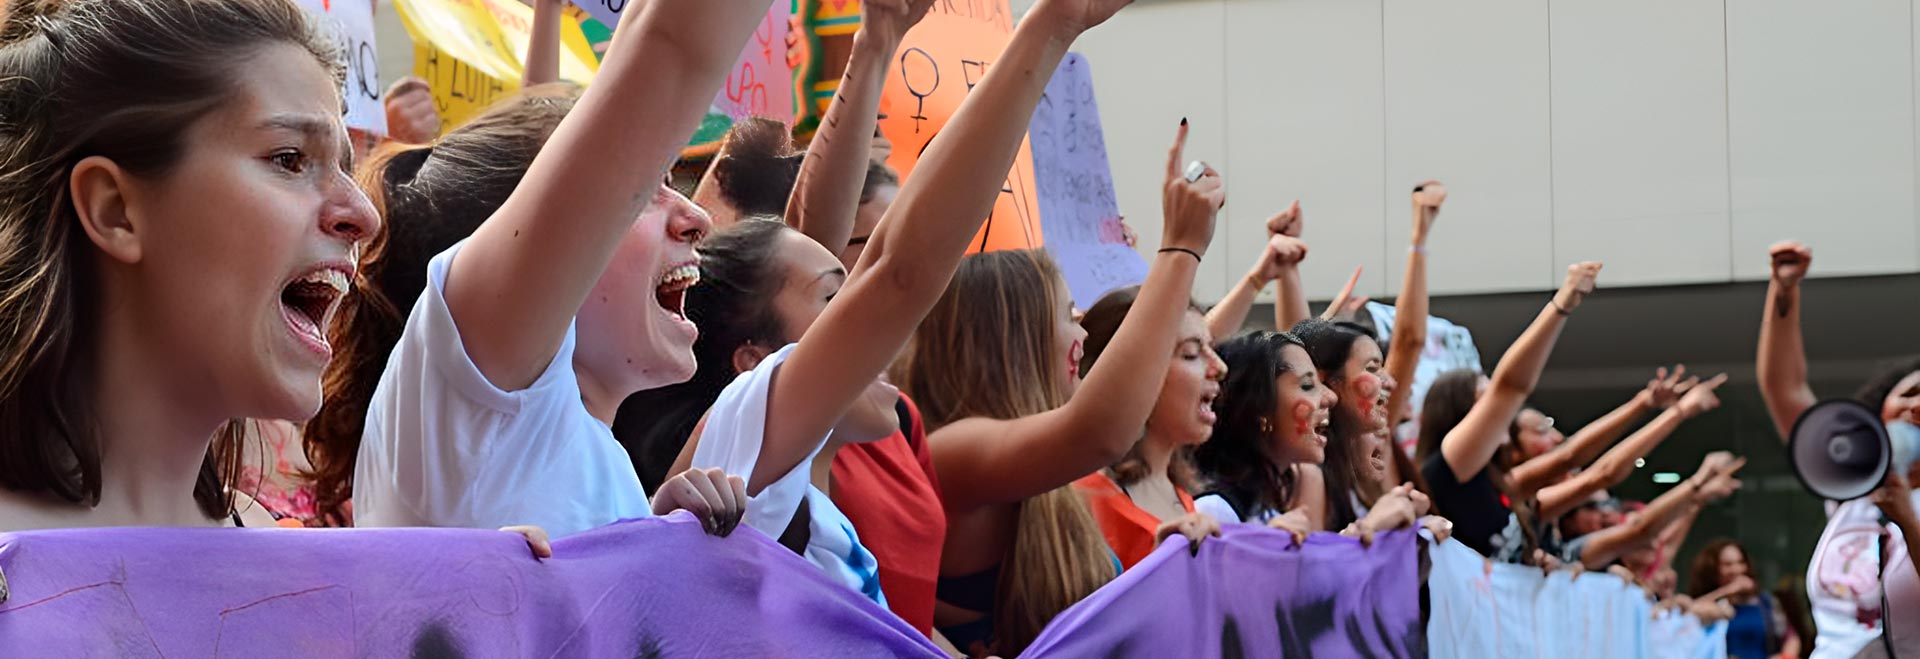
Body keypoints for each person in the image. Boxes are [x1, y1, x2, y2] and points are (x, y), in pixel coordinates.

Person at [343, 0, 781, 539]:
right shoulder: (479, 395)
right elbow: (670, 47)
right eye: (644, 191)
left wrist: (648, 537)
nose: (696, 219)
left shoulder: (600, 458)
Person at [0, 0, 376, 531]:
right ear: (115, 210)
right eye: (290, 159)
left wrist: (501, 585)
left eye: (346, 170)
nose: (363, 215)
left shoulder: (268, 547)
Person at [902, 123, 1215, 656]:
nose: (1083, 333)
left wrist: (1152, 572)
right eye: (1068, 315)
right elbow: (1100, 433)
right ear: (1012, 337)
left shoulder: (1046, 476)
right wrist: (1180, 247)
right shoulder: (952, 453)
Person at [1756, 240, 1920, 658]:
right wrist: (1783, 292)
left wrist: (1906, 517)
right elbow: (1785, 388)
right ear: (1881, 412)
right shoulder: (1851, 485)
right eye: (1911, 393)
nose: (1918, 406)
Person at [1416, 262, 1601, 563]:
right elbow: (1511, 388)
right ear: (1459, 413)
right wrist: (1561, 304)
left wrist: (1534, 561)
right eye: (1485, 399)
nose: (1503, 411)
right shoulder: (1452, 462)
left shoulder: (1496, 481)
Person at [1070, 287, 1224, 569]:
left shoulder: (1180, 493)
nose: (1219, 367)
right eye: (1190, 354)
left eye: (1211, 349)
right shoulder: (1082, 498)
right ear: (1133, 372)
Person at [1689, 539, 1802, 659]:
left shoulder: (1764, 602)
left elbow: (1791, 638)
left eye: (1741, 562)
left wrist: (1785, 656)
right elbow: (1688, 613)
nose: (1737, 569)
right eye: (1728, 564)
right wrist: (1728, 591)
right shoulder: (1709, 602)